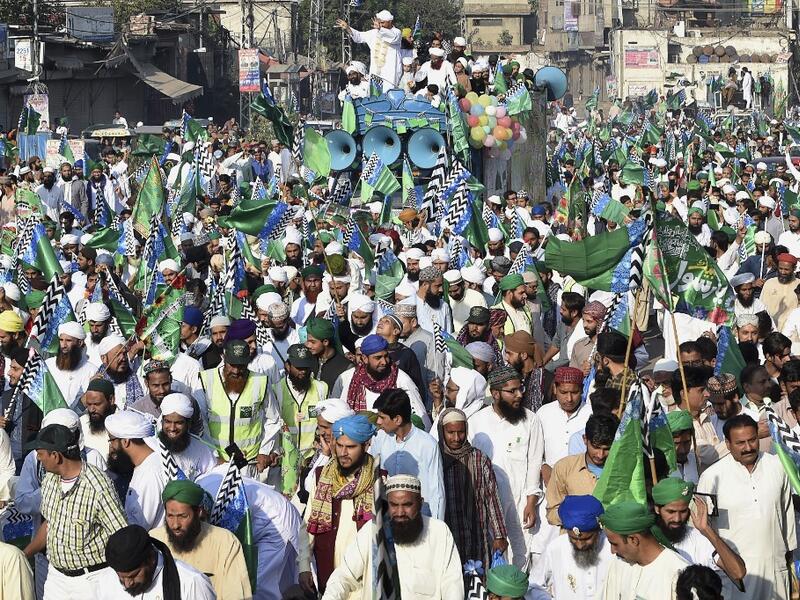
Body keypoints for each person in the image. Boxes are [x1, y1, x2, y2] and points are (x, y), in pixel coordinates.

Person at [697, 414, 796, 599]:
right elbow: (703, 530)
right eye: (740, 443)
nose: (748, 448)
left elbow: (787, 514)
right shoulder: (711, 477)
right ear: (727, 443)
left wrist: (788, 557)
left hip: (776, 569)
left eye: (752, 440)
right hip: (735, 577)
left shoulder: (777, 466)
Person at [23, 424, 128, 600]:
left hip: (91, 582)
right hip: (56, 579)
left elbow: (121, 535)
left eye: (40, 454)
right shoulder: (49, 481)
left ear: (55, 456)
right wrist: (23, 555)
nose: (39, 459)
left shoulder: (98, 486)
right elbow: (50, 524)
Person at [322, 474, 464, 599]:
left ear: (420, 503)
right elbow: (344, 577)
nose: (400, 512)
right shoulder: (373, 531)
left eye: (407, 505)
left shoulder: (439, 532)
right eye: (394, 505)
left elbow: (452, 584)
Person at [468, 365, 544, 568]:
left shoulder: (531, 420)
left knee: (521, 553)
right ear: (495, 394)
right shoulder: (476, 423)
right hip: (486, 504)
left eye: (521, 389)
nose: (519, 395)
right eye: (512, 391)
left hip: (520, 502)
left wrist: (531, 501)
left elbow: (534, 462)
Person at [299, 414, 379, 596]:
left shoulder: (378, 480)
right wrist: (304, 567)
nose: (343, 453)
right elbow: (307, 526)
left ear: (366, 445)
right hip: (329, 580)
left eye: (350, 447)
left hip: (364, 582)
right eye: (339, 445)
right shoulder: (322, 477)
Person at [198, 461, 302, 600]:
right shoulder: (201, 482)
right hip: (261, 516)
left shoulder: (219, 507)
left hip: (276, 522)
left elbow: (225, 553)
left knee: (256, 585)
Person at [150, 480, 252, 600]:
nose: (175, 525)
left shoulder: (225, 542)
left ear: (198, 512)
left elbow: (236, 595)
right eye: (170, 516)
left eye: (183, 516)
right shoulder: (154, 540)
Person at [437, 407, 507, 572]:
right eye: (450, 432)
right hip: (447, 532)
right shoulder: (436, 457)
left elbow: (492, 498)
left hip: (476, 533)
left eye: (460, 432)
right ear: (442, 431)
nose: (456, 438)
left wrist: (499, 535)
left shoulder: (479, 459)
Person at [197, 339, 272, 477]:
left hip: (249, 464)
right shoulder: (206, 379)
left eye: (241, 365)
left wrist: (264, 451)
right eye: (232, 365)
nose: (236, 371)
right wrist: (213, 454)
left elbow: (273, 419)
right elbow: (201, 422)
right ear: (223, 358)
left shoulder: (261, 381)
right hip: (215, 462)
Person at [651, 477, 746, 585]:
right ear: (657, 509)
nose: (677, 519)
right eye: (671, 512)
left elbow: (738, 573)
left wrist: (707, 530)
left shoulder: (699, 539)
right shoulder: (647, 539)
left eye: (683, 511)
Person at [371, 388, 444, 518]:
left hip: (420, 519)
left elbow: (436, 492)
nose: (378, 422)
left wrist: (435, 529)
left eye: (382, 417)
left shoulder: (427, 444)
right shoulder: (379, 439)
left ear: (397, 419)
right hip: (388, 518)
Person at [333, 334, 429, 428]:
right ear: (365, 358)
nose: (384, 362)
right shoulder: (349, 378)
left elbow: (421, 419)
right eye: (378, 358)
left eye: (386, 356)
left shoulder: (402, 380)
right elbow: (340, 413)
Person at [96, 524, 216, 599]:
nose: (127, 584)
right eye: (121, 577)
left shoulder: (191, 582)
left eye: (133, 576)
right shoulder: (106, 580)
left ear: (151, 559)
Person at [599, 501, 690, 600]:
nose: (612, 551)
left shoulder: (679, 573)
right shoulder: (619, 563)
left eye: (615, 544)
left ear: (633, 540)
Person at [529, 495, 612, 600]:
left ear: (598, 530)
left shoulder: (612, 548)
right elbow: (533, 585)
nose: (580, 545)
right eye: (573, 538)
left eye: (587, 539)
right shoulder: (556, 547)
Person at [545, 413, 617, 525]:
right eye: (596, 447)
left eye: (607, 449)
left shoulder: (622, 471)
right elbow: (552, 514)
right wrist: (574, 516)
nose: (600, 455)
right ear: (585, 439)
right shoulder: (564, 468)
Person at [105, 410, 168, 530]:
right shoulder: (146, 465)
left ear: (125, 441)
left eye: (112, 440)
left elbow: (139, 527)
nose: (111, 447)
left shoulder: (150, 474)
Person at [158, 394, 217, 481]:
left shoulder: (199, 448)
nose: (172, 428)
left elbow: (213, 472)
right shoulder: (152, 447)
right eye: (168, 422)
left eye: (179, 423)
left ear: (188, 424)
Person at [336, 10, 402, 89]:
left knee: (390, 92)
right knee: (375, 95)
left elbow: (393, 38)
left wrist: (380, 29)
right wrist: (347, 28)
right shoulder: (373, 33)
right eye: (379, 22)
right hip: (376, 72)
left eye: (382, 23)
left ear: (390, 22)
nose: (380, 24)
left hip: (390, 73)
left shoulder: (396, 32)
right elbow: (359, 37)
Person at [44, 321, 98, 411]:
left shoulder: (91, 371)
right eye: (61, 340)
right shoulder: (48, 365)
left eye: (68, 341)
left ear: (80, 343)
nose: (63, 345)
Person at [79, 378, 116, 460]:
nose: (92, 409)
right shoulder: (81, 422)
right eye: (89, 404)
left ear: (111, 400)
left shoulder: (124, 423)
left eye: (97, 404)